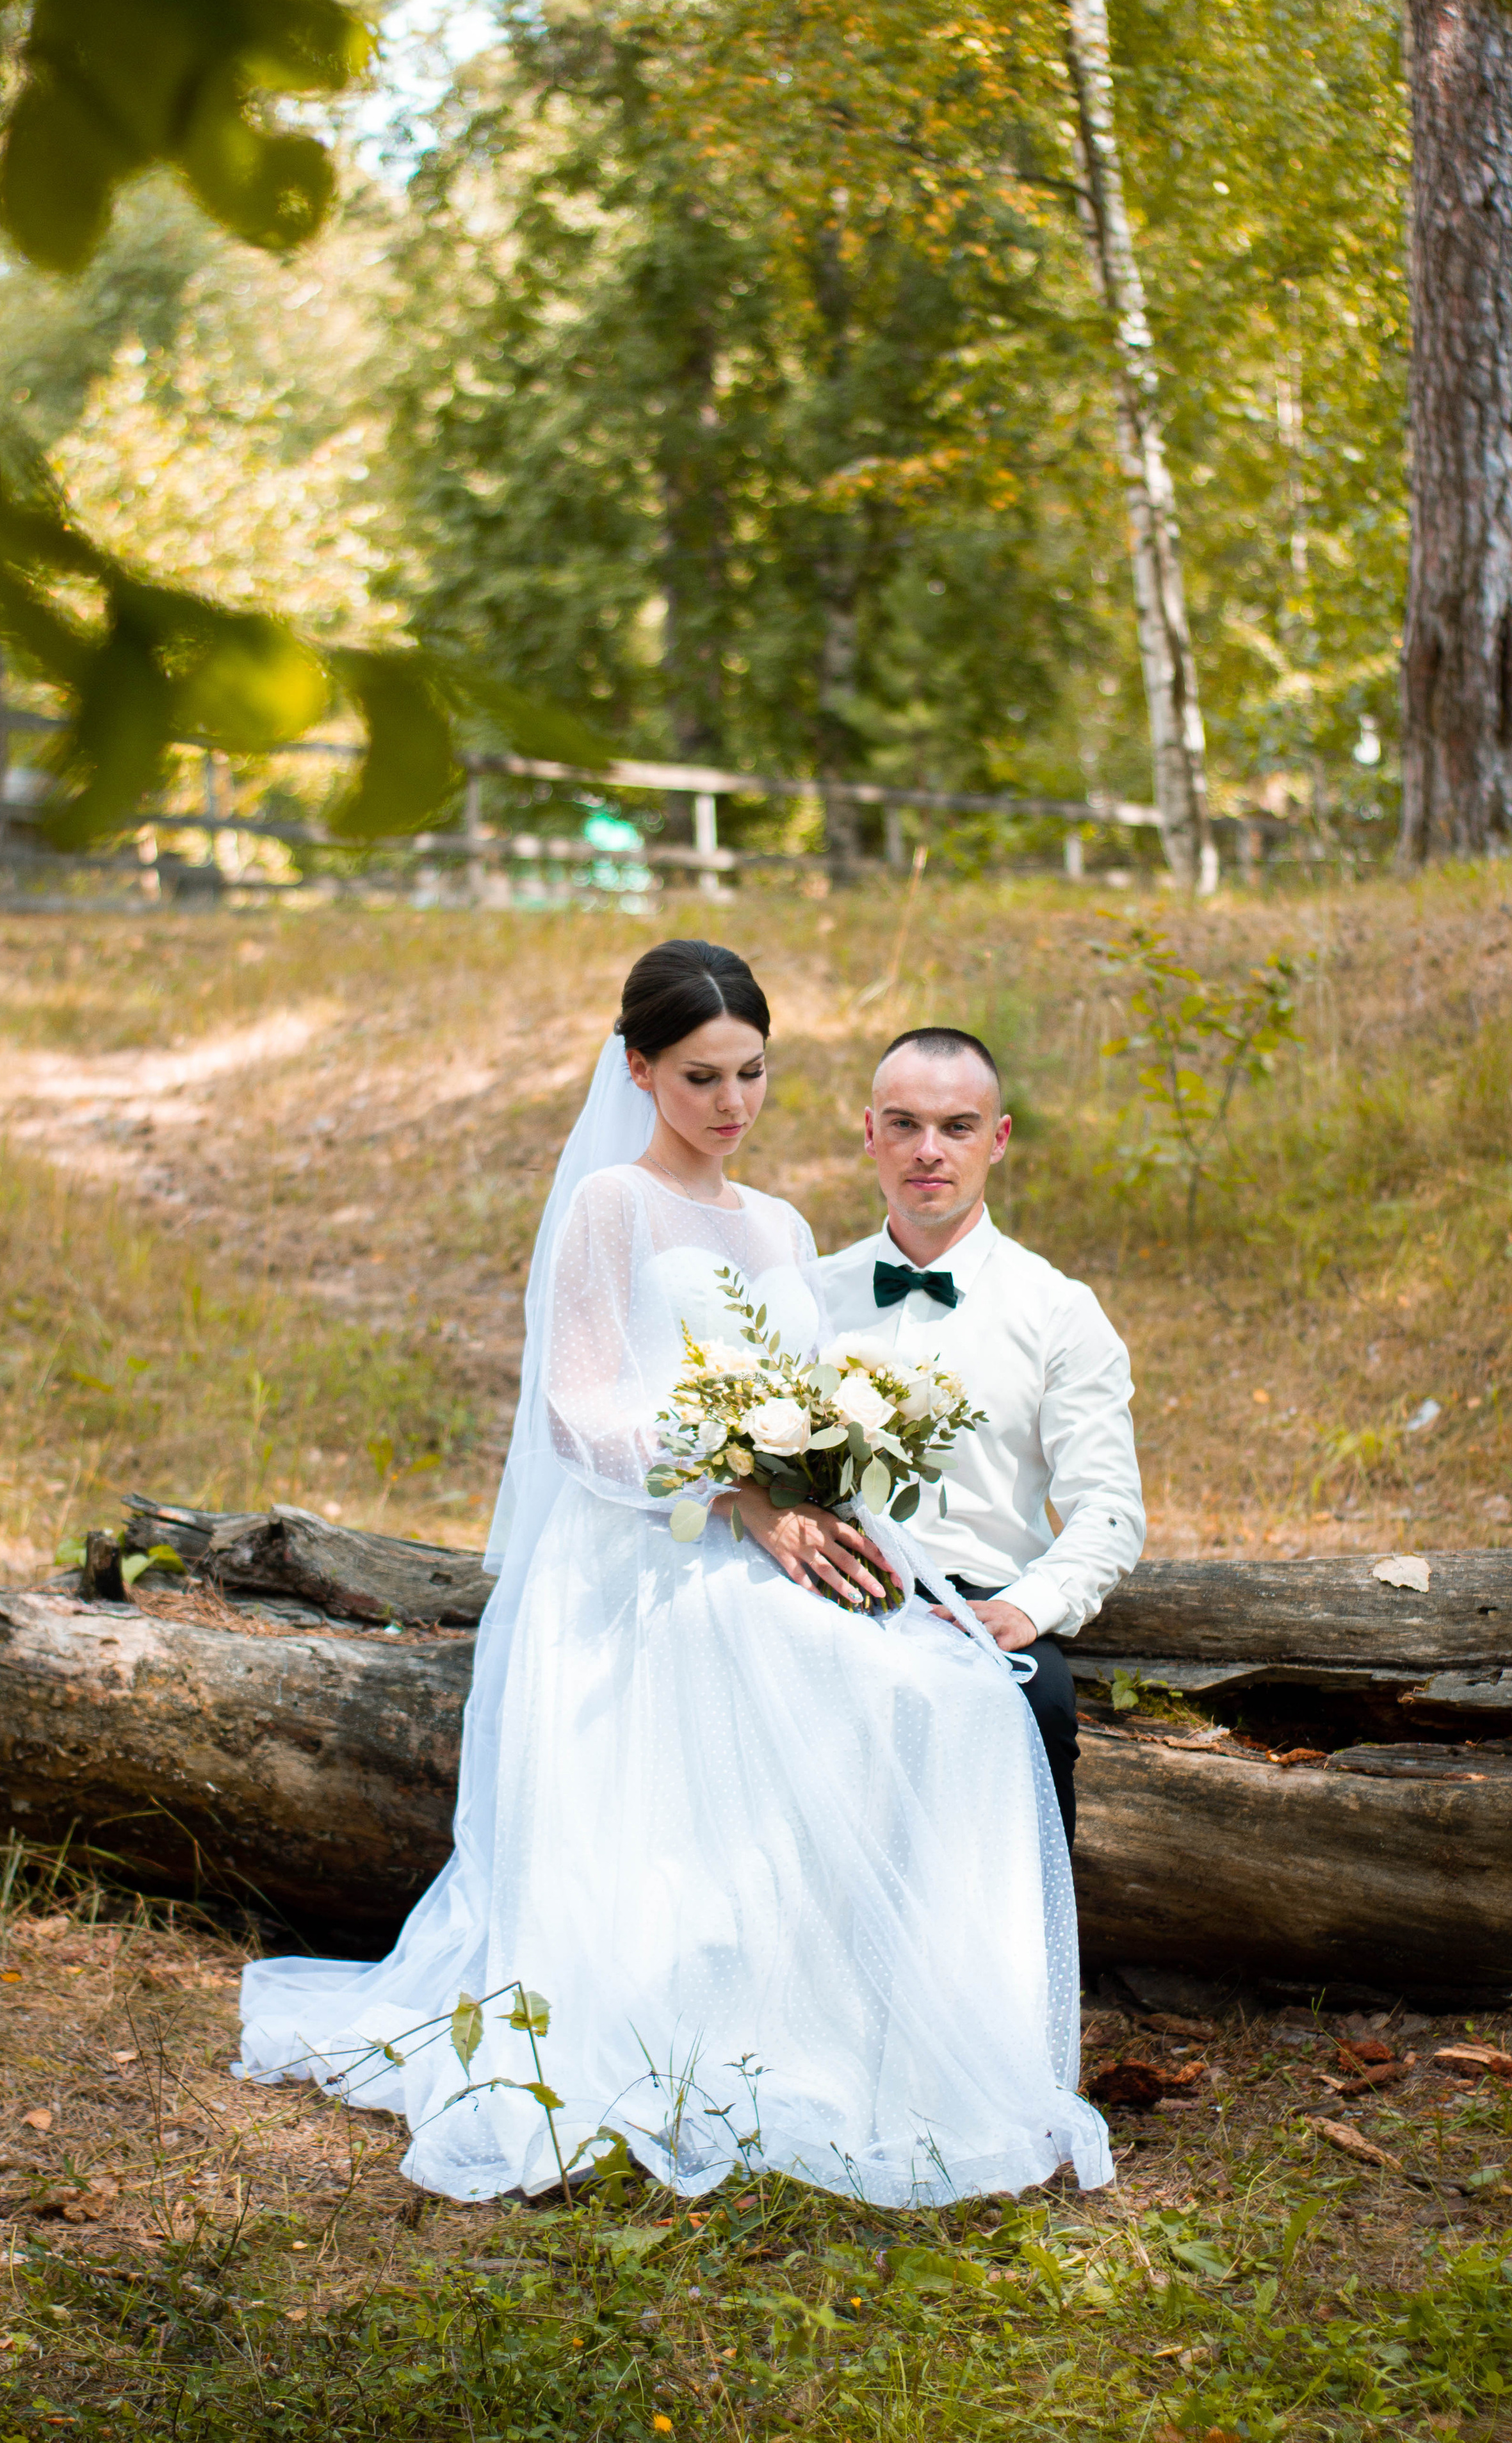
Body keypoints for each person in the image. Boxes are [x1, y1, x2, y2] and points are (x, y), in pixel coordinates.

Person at [238, 944, 1111, 2207]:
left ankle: (897, 2016)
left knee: (964, 1697)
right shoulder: (610, 1206)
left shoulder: (782, 1226)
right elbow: (578, 1414)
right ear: (638, 1069)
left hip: (761, 1536)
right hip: (636, 1557)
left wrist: (812, 1473)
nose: (729, 1104)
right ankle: (705, 2023)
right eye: (699, 1077)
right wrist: (729, 1485)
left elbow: (799, 1398)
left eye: (752, 1073)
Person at [820, 1027, 1146, 1849]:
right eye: (903, 1124)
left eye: (957, 1126)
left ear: (997, 1140)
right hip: (823, 1599)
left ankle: (1017, 1973)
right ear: (869, 1133)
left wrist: (1024, 1609)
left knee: (1034, 1709)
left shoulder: (1058, 1310)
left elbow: (1108, 1508)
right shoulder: (807, 1294)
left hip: (976, 1605)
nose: (928, 1151)